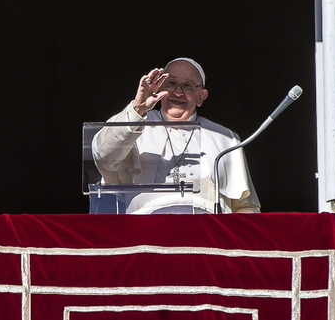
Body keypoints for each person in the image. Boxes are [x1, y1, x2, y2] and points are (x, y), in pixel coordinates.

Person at [92, 57, 260, 214]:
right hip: (144, 228)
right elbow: (103, 156)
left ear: (201, 96)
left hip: (207, 230)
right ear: (160, 88)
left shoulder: (225, 138)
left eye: (187, 86)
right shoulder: (134, 123)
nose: (177, 92)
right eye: (171, 83)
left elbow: (245, 206)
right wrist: (138, 109)